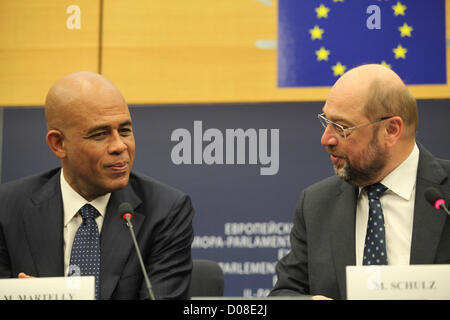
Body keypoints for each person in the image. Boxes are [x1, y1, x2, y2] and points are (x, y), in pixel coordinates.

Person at [0, 71, 195, 300]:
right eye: (100, 134)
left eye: (124, 131)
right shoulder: (7, 208)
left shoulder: (165, 211)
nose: (119, 146)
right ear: (59, 144)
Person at [270, 64, 450, 300]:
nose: (326, 139)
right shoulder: (316, 204)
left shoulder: (443, 199)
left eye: (342, 127)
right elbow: (284, 292)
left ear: (391, 130)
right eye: (327, 121)